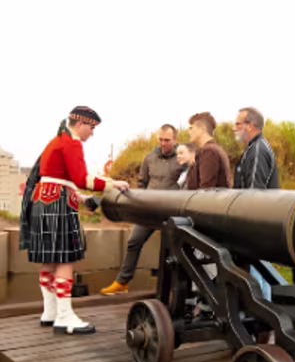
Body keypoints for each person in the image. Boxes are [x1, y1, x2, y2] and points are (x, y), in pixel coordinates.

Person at [19, 106, 129, 335]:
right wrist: (111, 183)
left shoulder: (55, 142)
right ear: (80, 124)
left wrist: (83, 199)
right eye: (91, 127)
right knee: (65, 261)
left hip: (42, 202)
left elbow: (57, 179)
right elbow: (81, 178)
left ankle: (50, 312)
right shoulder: (72, 143)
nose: (92, 133)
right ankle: (65, 316)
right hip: (58, 205)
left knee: (49, 261)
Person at [99, 125, 184, 296]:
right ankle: (122, 282)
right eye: (160, 139)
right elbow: (142, 182)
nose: (163, 143)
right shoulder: (150, 158)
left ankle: (174, 290)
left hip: (171, 212)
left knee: (172, 250)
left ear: (175, 140)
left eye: (167, 140)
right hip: (148, 210)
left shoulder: (181, 159)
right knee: (134, 241)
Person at [232, 107, 280, 189]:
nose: (234, 128)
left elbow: (254, 194)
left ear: (250, 126)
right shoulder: (252, 148)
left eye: (238, 124)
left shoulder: (258, 151)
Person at [185, 111, 232, 189]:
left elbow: (206, 189)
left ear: (202, 129)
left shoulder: (209, 152)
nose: (189, 132)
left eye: (191, 128)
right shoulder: (212, 149)